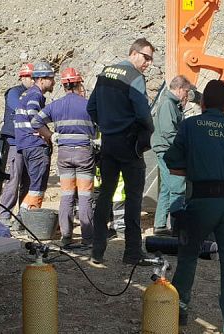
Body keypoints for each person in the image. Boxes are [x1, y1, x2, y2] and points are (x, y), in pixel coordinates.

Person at [164, 80, 224, 334]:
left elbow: (172, 163)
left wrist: (197, 168)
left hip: (201, 203)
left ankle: (178, 312)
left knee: (188, 257)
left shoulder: (190, 126)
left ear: (202, 103)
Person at [87, 38, 155, 265]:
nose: (148, 63)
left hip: (108, 143)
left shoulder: (105, 74)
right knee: (133, 198)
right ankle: (132, 252)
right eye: (146, 57)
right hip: (129, 144)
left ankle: (97, 250)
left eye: (151, 60)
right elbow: (143, 113)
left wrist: (107, 126)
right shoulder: (134, 77)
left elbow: (91, 107)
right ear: (133, 53)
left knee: (105, 195)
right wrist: (147, 131)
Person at [31, 67, 96, 249]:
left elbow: (35, 121)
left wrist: (51, 136)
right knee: (85, 196)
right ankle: (87, 238)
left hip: (64, 154)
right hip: (84, 154)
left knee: (67, 195)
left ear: (64, 85)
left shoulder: (56, 105)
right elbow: (103, 124)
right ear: (79, 83)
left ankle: (66, 237)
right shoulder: (88, 105)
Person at [152, 75, 193, 236]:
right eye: (186, 91)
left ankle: (160, 224)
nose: (187, 95)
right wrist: (185, 146)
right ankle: (177, 227)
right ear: (180, 89)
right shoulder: (168, 104)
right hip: (167, 150)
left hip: (165, 148)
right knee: (177, 187)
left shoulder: (171, 103)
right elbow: (169, 132)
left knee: (166, 188)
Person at [15, 61, 56, 210]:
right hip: (35, 145)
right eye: (51, 78)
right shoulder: (35, 95)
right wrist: (50, 136)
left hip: (26, 144)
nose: (53, 82)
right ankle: (31, 217)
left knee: (32, 186)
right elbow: (34, 119)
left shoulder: (27, 94)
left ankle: (22, 216)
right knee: (37, 187)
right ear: (41, 79)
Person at [0, 63, 34, 227]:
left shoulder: (33, 94)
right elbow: (20, 108)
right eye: (31, 77)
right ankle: (4, 216)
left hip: (29, 143)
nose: (33, 81)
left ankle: (22, 217)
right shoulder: (14, 92)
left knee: (27, 181)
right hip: (14, 143)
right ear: (23, 77)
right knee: (14, 179)